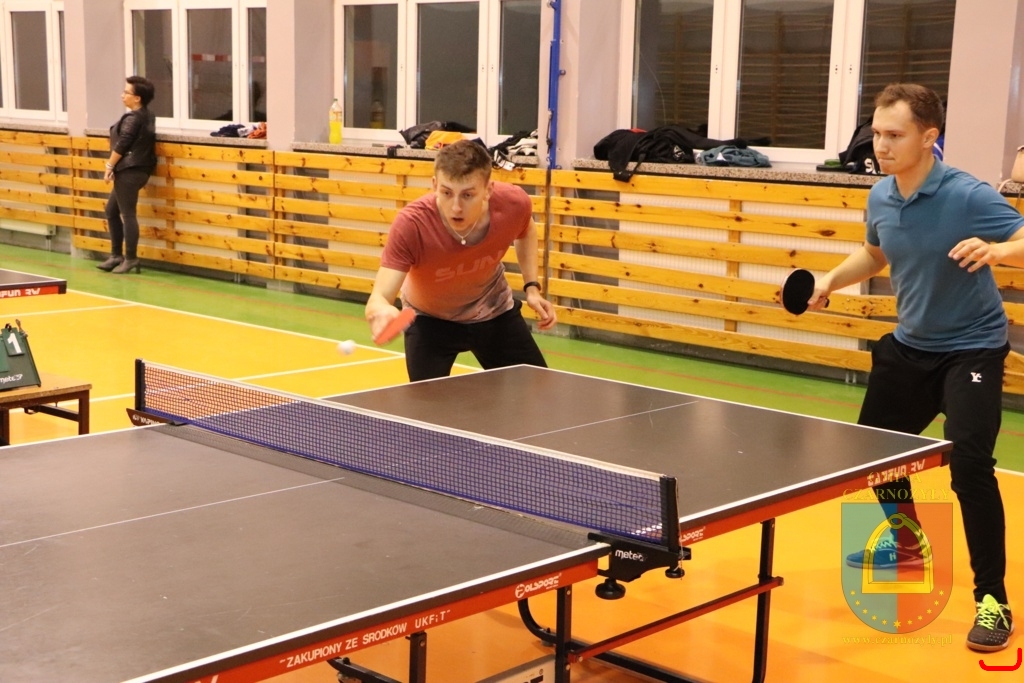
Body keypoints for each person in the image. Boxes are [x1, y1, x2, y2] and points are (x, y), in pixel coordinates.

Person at [810, 83, 1023, 652]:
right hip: (911, 346)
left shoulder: (968, 195)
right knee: (874, 457)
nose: (881, 145)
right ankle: (908, 544)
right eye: (877, 133)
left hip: (972, 349)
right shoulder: (881, 195)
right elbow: (876, 254)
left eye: (894, 135)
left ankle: (993, 602)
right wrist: (831, 280)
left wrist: (1001, 251)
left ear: (929, 138)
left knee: (970, 467)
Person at [364, 139, 556, 381]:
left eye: (467, 195)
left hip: (493, 311)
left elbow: (526, 229)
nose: (456, 207)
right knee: (424, 404)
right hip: (430, 321)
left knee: (538, 391)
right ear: (434, 185)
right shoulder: (412, 225)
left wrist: (532, 288)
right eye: (446, 193)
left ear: (488, 190)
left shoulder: (513, 203)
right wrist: (382, 310)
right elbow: (379, 297)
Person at [97, 76, 157, 275]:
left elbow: (123, 143)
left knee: (128, 214)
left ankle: (130, 258)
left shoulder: (133, 118)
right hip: (136, 169)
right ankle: (116, 255)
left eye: (126, 92)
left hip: (129, 170)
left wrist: (109, 165)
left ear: (137, 98)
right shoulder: (147, 115)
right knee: (111, 210)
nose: (122, 95)